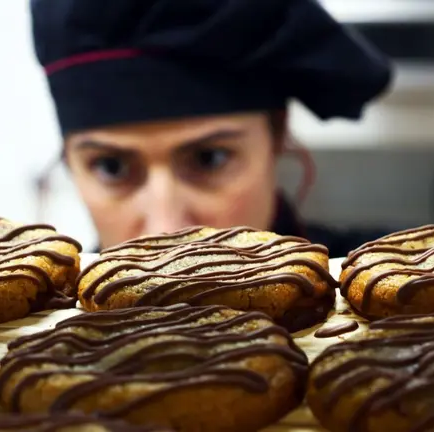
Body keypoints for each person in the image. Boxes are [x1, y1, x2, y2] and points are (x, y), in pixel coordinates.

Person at [31, 0, 393, 256]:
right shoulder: (38, 327)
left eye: (209, 159)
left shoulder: (395, 297)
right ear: (68, 162)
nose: (166, 229)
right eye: (112, 167)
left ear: (277, 137)